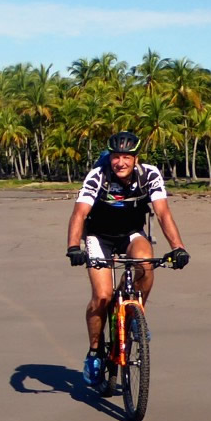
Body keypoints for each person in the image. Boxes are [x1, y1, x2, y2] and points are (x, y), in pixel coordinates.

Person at [66, 131, 190, 385]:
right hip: (99, 237)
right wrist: (73, 247)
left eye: (126, 157)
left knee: (146, 265)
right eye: (115, 157)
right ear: (109, 158)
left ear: (136, 158)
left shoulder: (149, 175)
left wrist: (178, 247)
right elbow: (79, 214)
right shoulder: (98, 176)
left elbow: (163, 213)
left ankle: (134, 316)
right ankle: (94, 353)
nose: (120, 162)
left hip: (131, 233)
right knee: (102, 296)